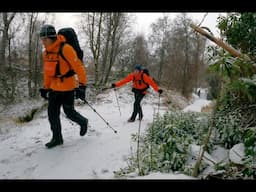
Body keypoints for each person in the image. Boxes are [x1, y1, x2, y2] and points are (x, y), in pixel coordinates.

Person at [39, 24, 88, 149]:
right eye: (41, 40)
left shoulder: (65, 49)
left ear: (51, 38)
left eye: (44, 39)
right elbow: (48, 73)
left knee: (69, 112)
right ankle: (57, 138)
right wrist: (45, 87)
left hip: (67, 88)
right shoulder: (46, 53)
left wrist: (82, 86)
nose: (43, 42)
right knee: (52, 114)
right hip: (54, 89)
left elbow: (79, 68)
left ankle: (83, 122)